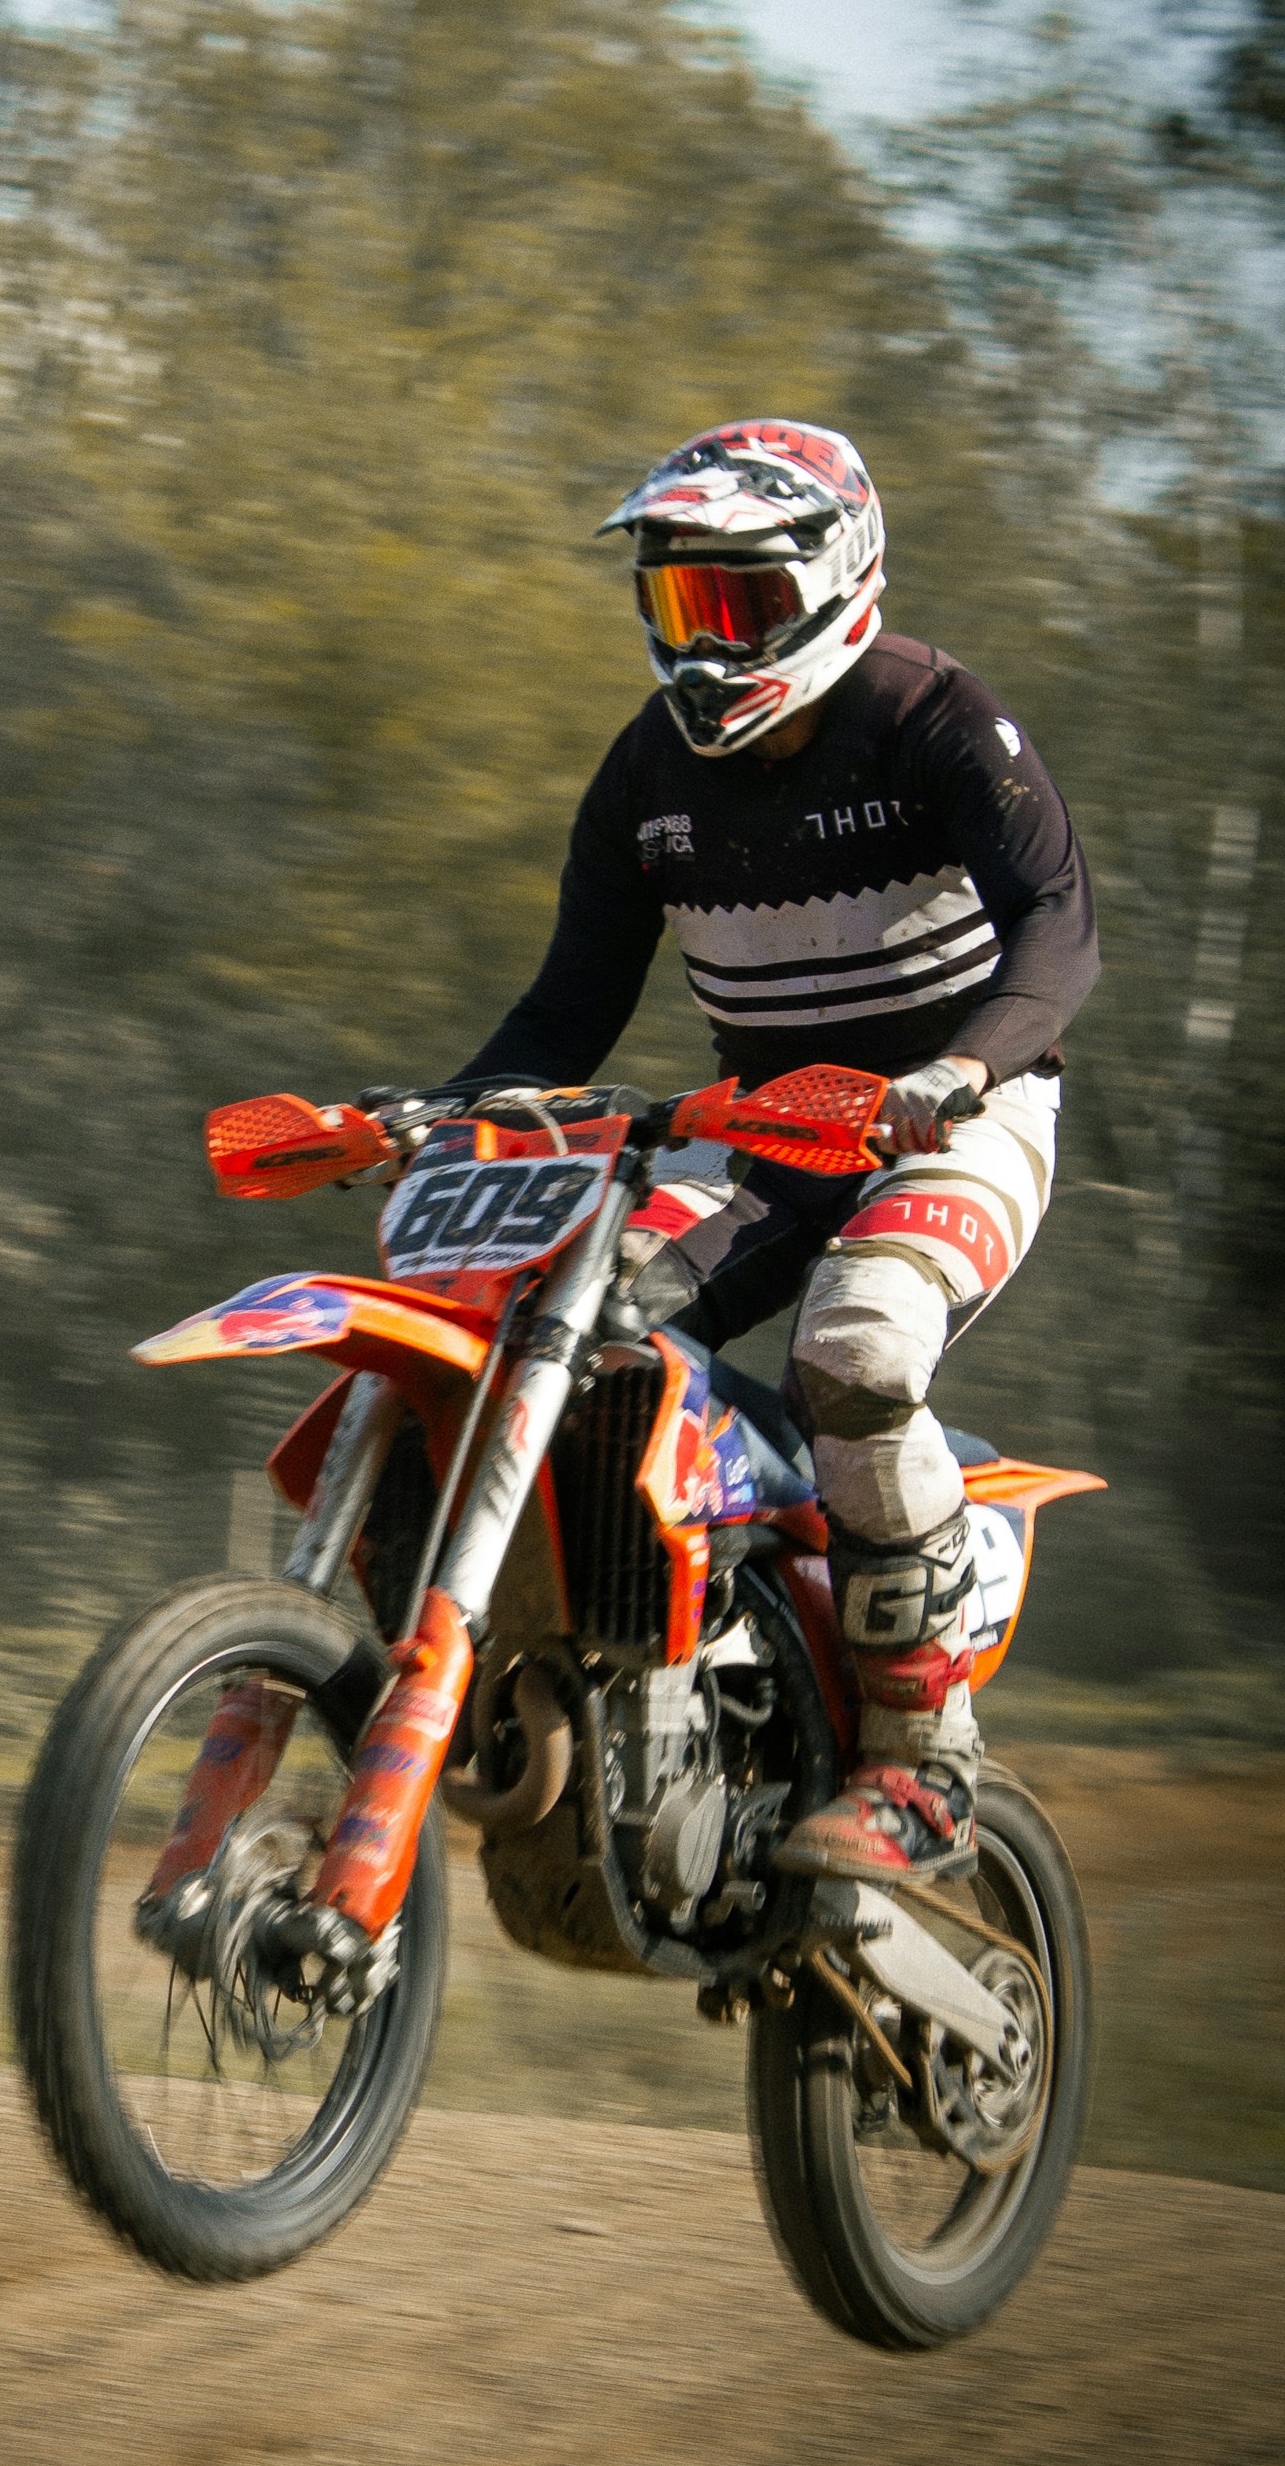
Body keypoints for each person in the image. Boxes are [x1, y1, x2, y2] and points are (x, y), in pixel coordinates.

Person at [448, 420, 1097, 1883]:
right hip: (768, 1138)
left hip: (967, 1119)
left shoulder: (932, 718)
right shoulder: (644, 776)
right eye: (676, 607)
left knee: (858, 1350)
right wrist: (442, 1113)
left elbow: (1062, 926)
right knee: (562, 1319)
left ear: (833, 580)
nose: (699, 646)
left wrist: (960, 1066)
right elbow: (567, 1006)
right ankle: (686, 1658)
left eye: (732, 605)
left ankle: (921, 1765)